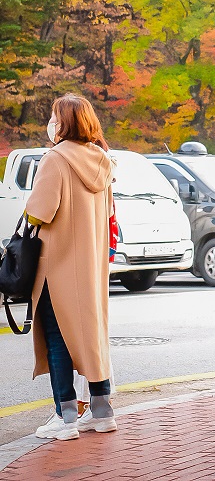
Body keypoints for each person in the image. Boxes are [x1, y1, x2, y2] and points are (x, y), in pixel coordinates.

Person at [25, 94, 117, 441]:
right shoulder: (103, 161)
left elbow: (39, 212)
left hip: (58, 265)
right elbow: (107, 214)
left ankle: (65, 419)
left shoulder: (55, 159)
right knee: (92, 337)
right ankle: (102, 411)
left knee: (57, 339)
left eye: (54, 116)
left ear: (63, 122)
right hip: (92, 269)